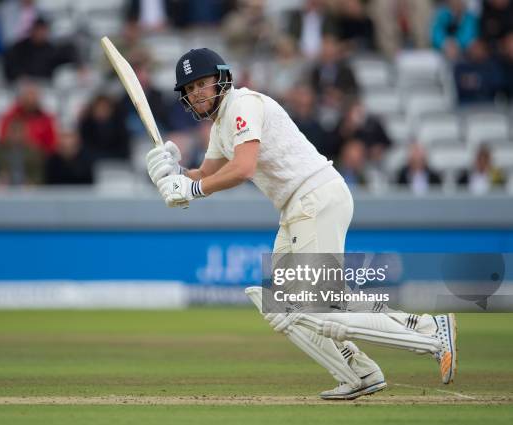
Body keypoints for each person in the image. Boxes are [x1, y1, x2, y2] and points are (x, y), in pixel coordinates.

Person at [144, 48, 457, 400]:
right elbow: (205, 174)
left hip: (315, 196)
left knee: (318, 308)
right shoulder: (220, 128)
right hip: (296, 207)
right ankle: (359, 372)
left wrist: (193, 188)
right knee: (286, 311)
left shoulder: (243, 105)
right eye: (190, 88)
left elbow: (243, 168)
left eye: (202, 83)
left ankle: (431, 332)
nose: (197, 92)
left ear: (221, 78)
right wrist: (174, 174)